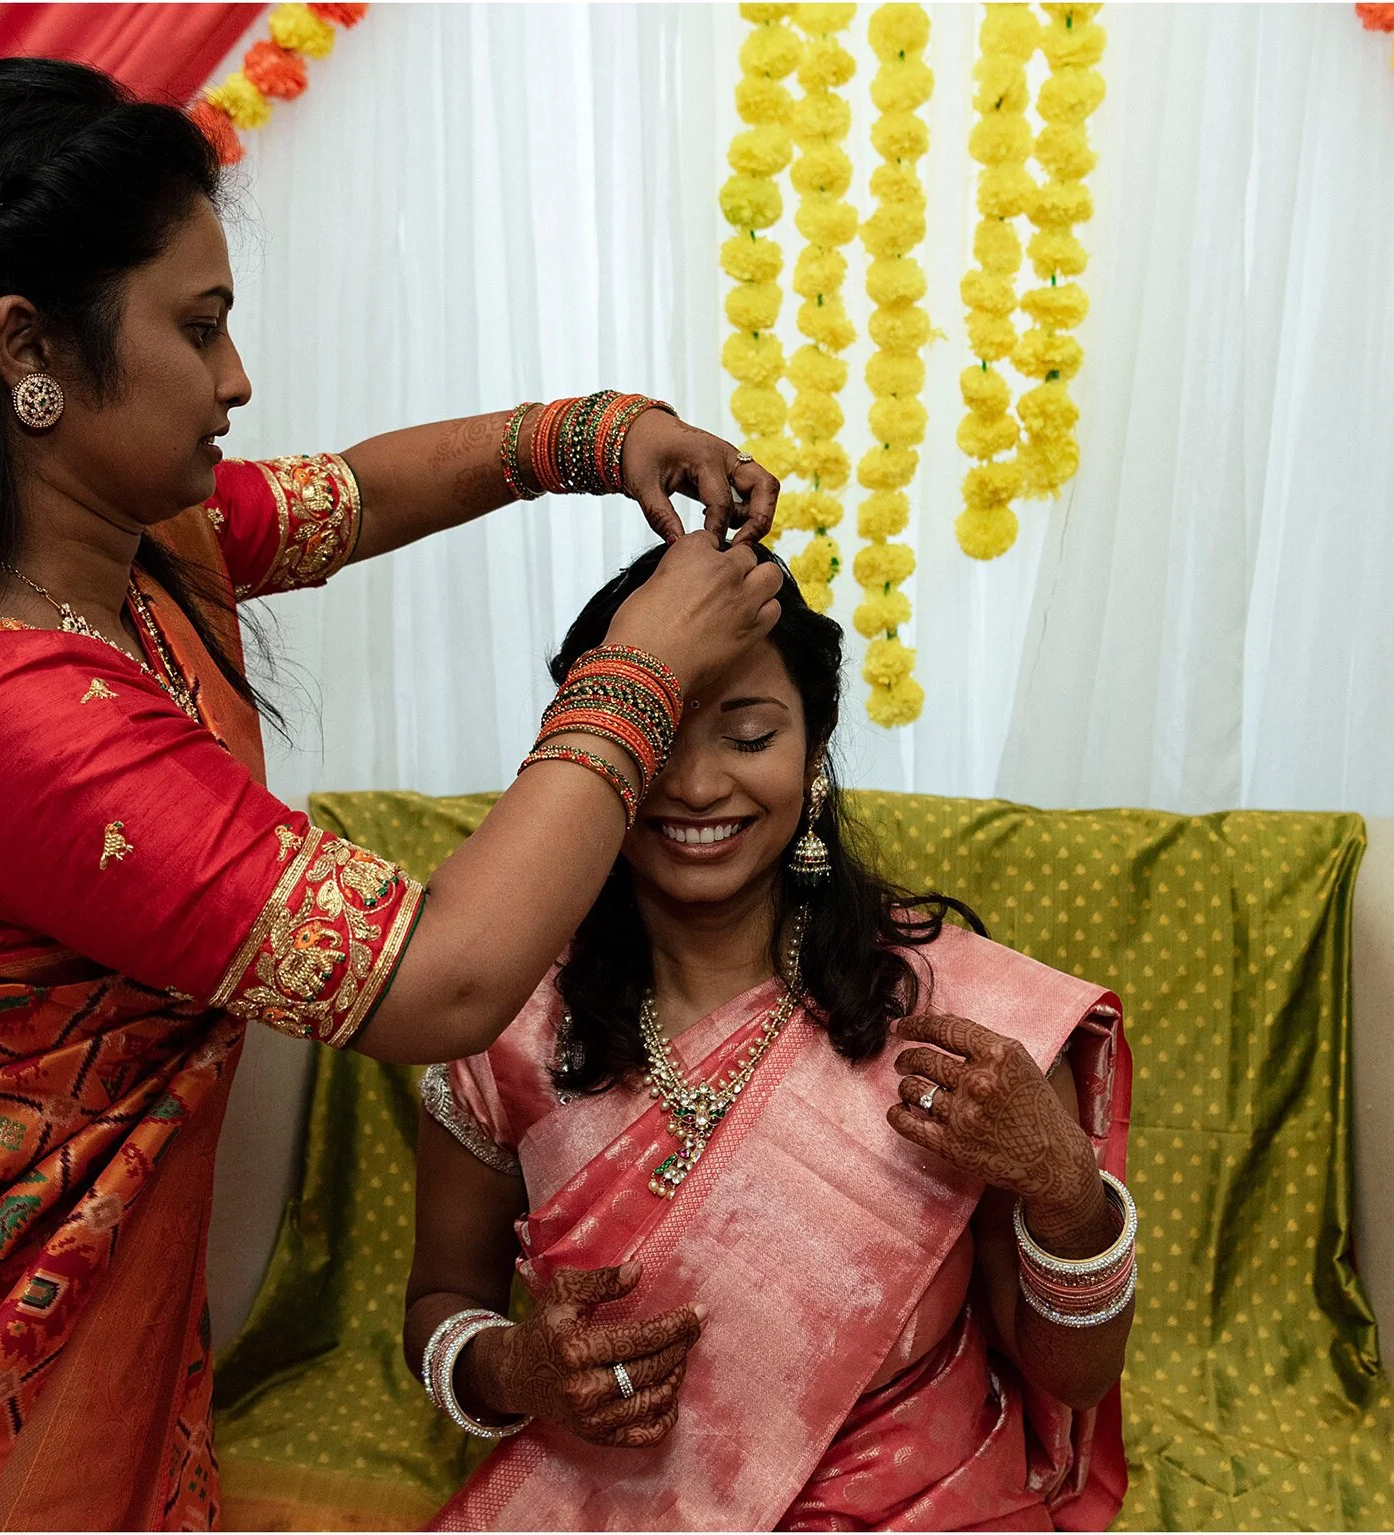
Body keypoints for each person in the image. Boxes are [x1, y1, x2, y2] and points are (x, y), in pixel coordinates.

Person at [0, 58, 785, 1531]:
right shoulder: (13, 707)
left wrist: (594, 436)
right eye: (200, 327)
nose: (235, 380)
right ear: (28, 347)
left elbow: (346, 497)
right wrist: (641, 672)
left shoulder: (119, 544)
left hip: (1, 1324)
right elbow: (442, 979)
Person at [406, 542, 1137, 1531]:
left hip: (921, 1501)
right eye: (658, 735)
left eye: (748, 735)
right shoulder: (501, 1016)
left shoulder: (956, 1012)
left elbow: (1073, 1374)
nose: (698, 784)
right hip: (613, 1499)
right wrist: (508, 1366)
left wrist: (1067, 1197)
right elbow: (443, 1297)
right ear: (595, 749)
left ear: (815, 750)